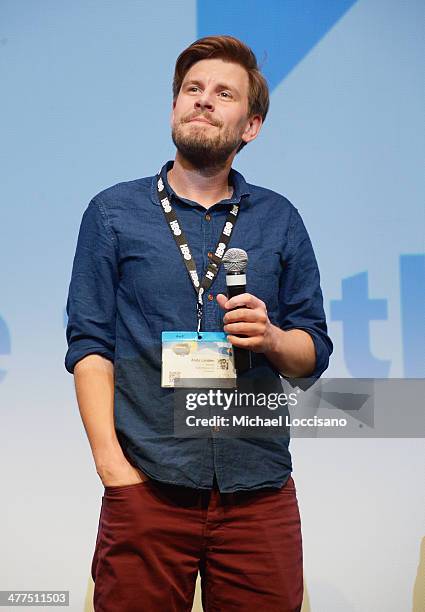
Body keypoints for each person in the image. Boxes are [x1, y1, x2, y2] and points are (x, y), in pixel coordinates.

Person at [65, 35, 333, 612]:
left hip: (257, 490)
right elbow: (89, 346)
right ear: (173, 109)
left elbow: (314, 352)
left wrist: (274, 338)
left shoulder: (280, 219)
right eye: (192, 89)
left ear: (251, 126)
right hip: (149, 485)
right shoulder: (113, 212)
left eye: (223, 93)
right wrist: (114, 469)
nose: (203, 100)